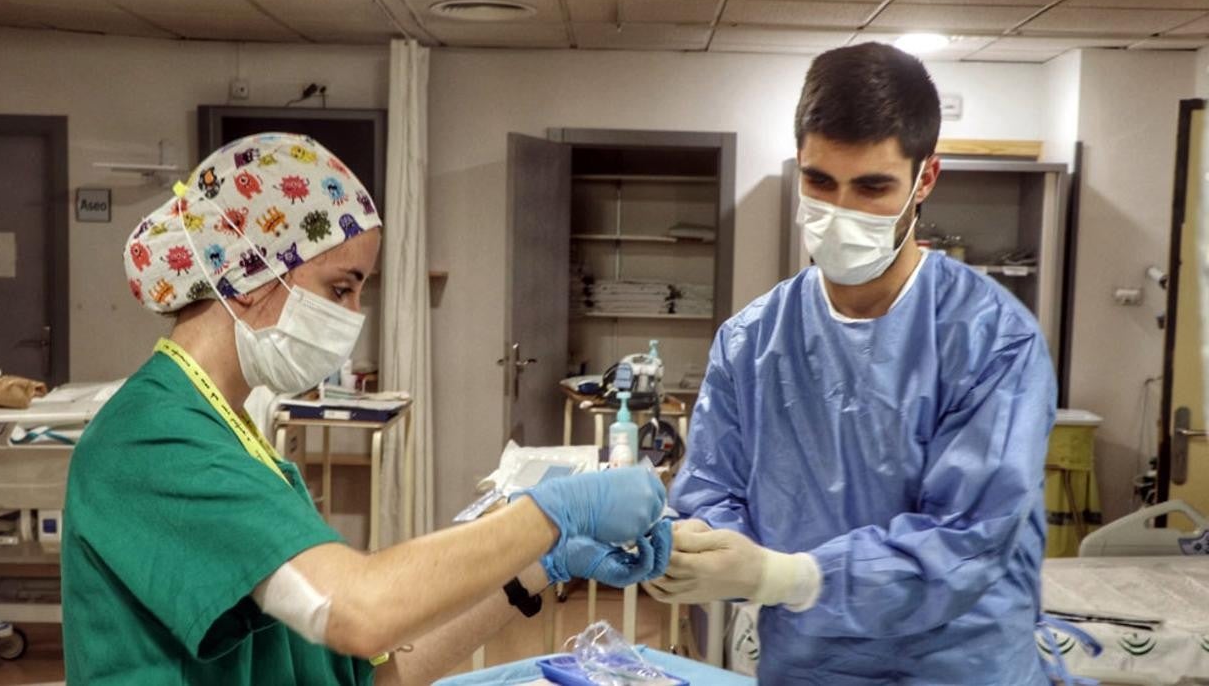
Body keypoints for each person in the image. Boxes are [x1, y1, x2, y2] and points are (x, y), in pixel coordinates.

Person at [61, 132, 672, 685]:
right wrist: (552, 514)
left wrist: (540, 566)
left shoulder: (231, 430)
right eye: (340, 288)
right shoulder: (149, 440)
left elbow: (368, 671)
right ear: (248, 276)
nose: (352, 318)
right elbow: (357, 611)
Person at [644, 43, 1056, 684]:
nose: (840, 211)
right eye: (819, 182)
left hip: (955, 669)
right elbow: (714, 495)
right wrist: (689, 550)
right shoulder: (751, 341)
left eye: (871, 187)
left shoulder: (992, 341)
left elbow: (969, 538)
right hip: (806, 668)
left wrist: (791, 575)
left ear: (925, 179)